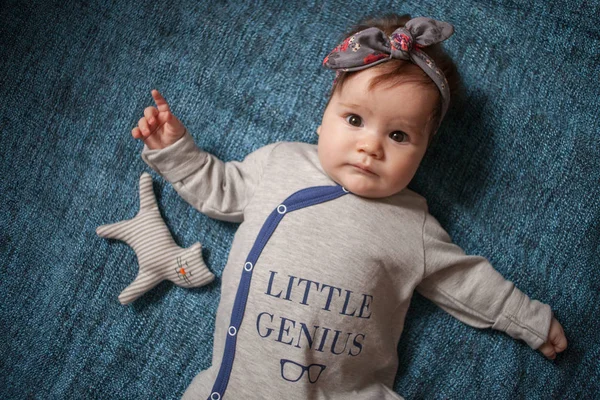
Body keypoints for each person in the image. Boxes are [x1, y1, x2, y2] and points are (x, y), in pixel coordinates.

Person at [132, 14, 567, 400]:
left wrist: (530, 322)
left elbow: (468, 280)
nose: (369, 147)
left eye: (398, 136)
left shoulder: (411, 223)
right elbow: (220, 188)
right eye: (354, 120)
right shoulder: (280, 162)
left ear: (424, 152)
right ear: (324, 116)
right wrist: (175, 151)